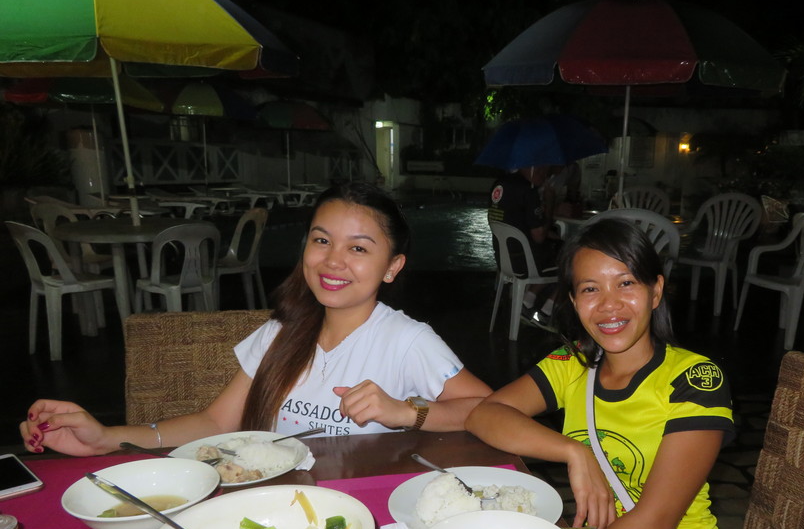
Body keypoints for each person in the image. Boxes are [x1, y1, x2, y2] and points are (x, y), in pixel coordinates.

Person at [20, 181, 493, 456]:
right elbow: (215, 422)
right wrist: (108, 438)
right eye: (321, 240)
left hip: (361, 511)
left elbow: (492, 411)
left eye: (359, 249)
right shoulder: (280, 332)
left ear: (392, 267)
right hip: (277, 505)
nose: (333, 261)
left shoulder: (407, 341)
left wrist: (406, 412)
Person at [465, 218, 745, 529]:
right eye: (590, 289)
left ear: (656, 291)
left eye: (626, 283)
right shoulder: (572, 364)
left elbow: (653, 524)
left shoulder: (695, 379)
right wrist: (573, 452)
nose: (609, 304)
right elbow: (485, 414)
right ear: (574, 301)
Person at [487, 164, 561, 319]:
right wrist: (550, 204)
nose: (545, 176)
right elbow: (539, 236)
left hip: (503, 259)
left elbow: (515, 221)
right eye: (544, 171)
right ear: (535, 168)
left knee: (558, 248)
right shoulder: (528, 191)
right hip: (524, 263)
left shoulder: (499, 184)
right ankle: (547, 311)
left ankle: (528, 301)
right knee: (572, 261)